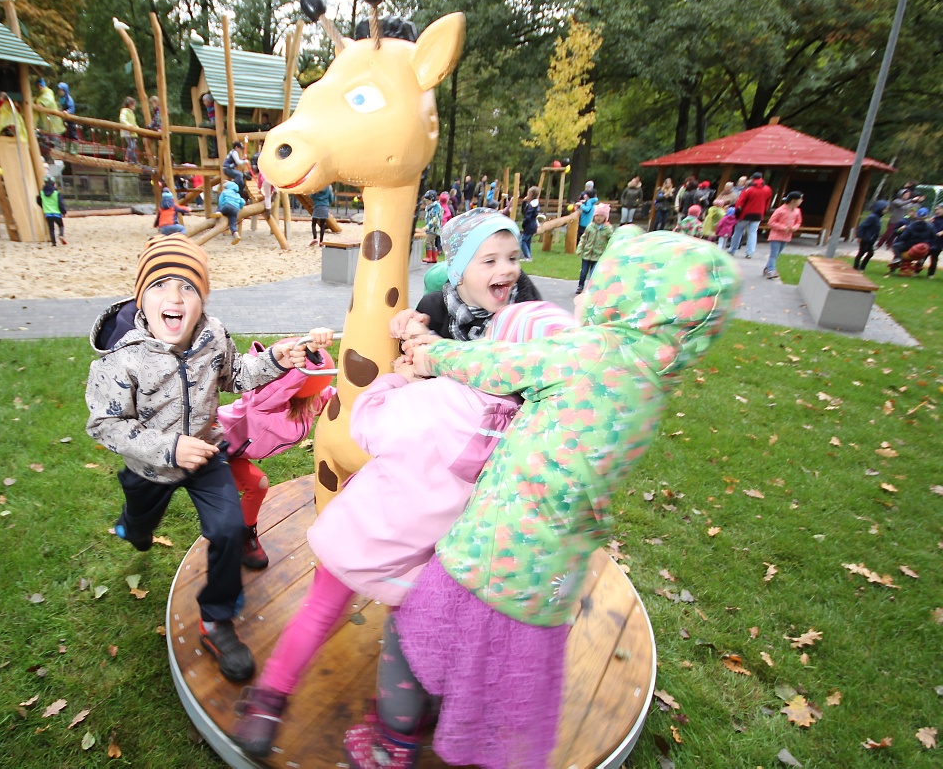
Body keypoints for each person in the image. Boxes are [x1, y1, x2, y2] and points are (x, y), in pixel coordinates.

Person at [342, 229, 740, 769]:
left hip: (495, 541)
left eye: (602, 280)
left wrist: (435, 352)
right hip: (555, 568)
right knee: (502, 660)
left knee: (414, 632)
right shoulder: (650, 382)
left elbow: (497, 367)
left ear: (627, 294)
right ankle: (472, 731)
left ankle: (392, 744)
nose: (585, 292)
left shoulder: (592, 349)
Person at [232, 302, 576, 758]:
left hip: (361, 536)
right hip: (424, 562)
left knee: (317, 614)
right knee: (410, 642)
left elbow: (368, 427)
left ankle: (269, 702)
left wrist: (398, 381)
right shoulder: (531, 430)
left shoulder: (440, 399)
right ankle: (404, 718)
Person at [84, 234, 327, 683]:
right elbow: (106, 424)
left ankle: (216, 620)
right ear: (142, 296)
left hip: (205, 453)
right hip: (150, 466)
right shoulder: (121, 358)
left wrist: (277, 356)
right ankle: (135, 527)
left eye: (189, 288)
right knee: (140, 524)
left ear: (202, 300)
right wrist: (168, 447)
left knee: (228, 528)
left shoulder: (212, 336)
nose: (174, 297)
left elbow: (238, 373)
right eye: (161, 286)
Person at [219, 337, 336, 572]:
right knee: (158, 486)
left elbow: (338, 394)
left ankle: (244, 533)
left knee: (256, 484)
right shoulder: (265, 401)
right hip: (213, 446)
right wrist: (309, 359)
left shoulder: (310, 401)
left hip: (239, 451)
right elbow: (281, 388)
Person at [389, 208, 542, 343]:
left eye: (512, 258)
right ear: (458, 273)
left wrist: (438, 348)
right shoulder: (433, 309)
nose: (507, 269)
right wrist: (409, 330)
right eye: (490, 261)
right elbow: (409, 360)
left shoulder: (527, 316)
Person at [730, 172, 773, 258]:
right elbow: (767, 203)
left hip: (745, 214)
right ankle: (750, 252)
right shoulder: (768, 189)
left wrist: (737, 212)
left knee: (738, 231)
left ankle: (733, 249)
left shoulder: (748, 190)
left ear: (752, 179)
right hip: (758, 214)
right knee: (753, 233)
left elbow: (739, 203)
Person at [763, 191, 803, 280]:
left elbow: (798, 222)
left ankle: (767, 268)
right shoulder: (780, 210)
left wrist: (794, 227)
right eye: (800, 199)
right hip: (776, 236)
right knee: (774, 254)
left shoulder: (797, 211)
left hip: (786, 236)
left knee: (777, 254)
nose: (801, 201)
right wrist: (783, 227)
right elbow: (771, 222)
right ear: (793, 200)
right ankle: (771, 270)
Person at [575, 202, 614, 294]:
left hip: (598, 255)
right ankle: (580, 285)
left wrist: (609, 250)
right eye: (597, 215)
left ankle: (591, 288)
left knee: (594, 273)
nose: (598, 218)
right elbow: (583, 238)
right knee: (584, 272)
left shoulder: (607, 229)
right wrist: (580, 248)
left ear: (605, 217)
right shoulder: (590, 227)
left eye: (601, 216)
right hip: (587, 254)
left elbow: (611, 240)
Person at [889, 207, 935, 272]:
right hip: (924, 245)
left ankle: (898, 258)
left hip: (910, 244)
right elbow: (933, 236)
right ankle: (921, 259)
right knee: (927, 248)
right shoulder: (930, 226)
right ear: (927, 216)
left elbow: (903, 237)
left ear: (917, 215)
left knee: (895, 246)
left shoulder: (911, 225)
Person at [853, 200, 886, 271]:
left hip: (871, 239)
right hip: (866, 238)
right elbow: (862, 226)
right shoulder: (872, 217)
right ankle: (856, 267)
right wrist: (860, 236)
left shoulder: (878, 218)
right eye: (885, 209)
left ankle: (862, 267)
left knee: (870, 253)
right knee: (862, 252)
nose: (886, 211)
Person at [35, 177, 67, 246]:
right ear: (53, 184)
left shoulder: (42, 193)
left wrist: (43, 207)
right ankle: (61, 235)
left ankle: (53, 243)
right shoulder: (56, 193)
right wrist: (63, 212)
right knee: (61, 225)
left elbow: (38, 201)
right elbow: (60, 203)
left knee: (51, 229)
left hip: (48, 213)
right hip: (57, 213)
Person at [218, 179, 246, 245]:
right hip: (235, 210)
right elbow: (243, 202)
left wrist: (221, 207)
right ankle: (236, 235)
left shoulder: (225, 192)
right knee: (232, 224)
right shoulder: (237, 195)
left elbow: (220, 201)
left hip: (227, 206)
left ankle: (218, 213)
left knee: (219, 209)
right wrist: (239, 207)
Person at [519, 186, 541, 260]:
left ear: (531, 194)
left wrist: (524, 224)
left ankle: (527, 257)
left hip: (529, 225)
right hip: (533, 224)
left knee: (523, 241)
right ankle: (528, 255)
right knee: (528, 241)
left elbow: (527, 215)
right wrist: (524, 202)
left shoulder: (532, 205)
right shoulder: (534, 203)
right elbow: (523, 212)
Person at [119, 97, 139, 164]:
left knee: (133, 146)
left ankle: (134, 159)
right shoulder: (124, 111)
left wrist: (137, 128)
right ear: (130, 105)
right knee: (131, 145)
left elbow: (134, 123)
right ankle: (128, 158)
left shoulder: (132, 113)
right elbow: (122, 119)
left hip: (133, 132)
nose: (134, 107)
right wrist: (128, 125)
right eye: (133, 105)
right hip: (127, 131)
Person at [928, 204, 943, 277]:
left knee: (934, 258)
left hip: (938, 242)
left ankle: (931, 274)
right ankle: (917, 270)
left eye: (939, 209)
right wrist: (929, 222)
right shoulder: (934, 218)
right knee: (923, 255)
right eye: (936, 209)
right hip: (930, 240)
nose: (937, 211)